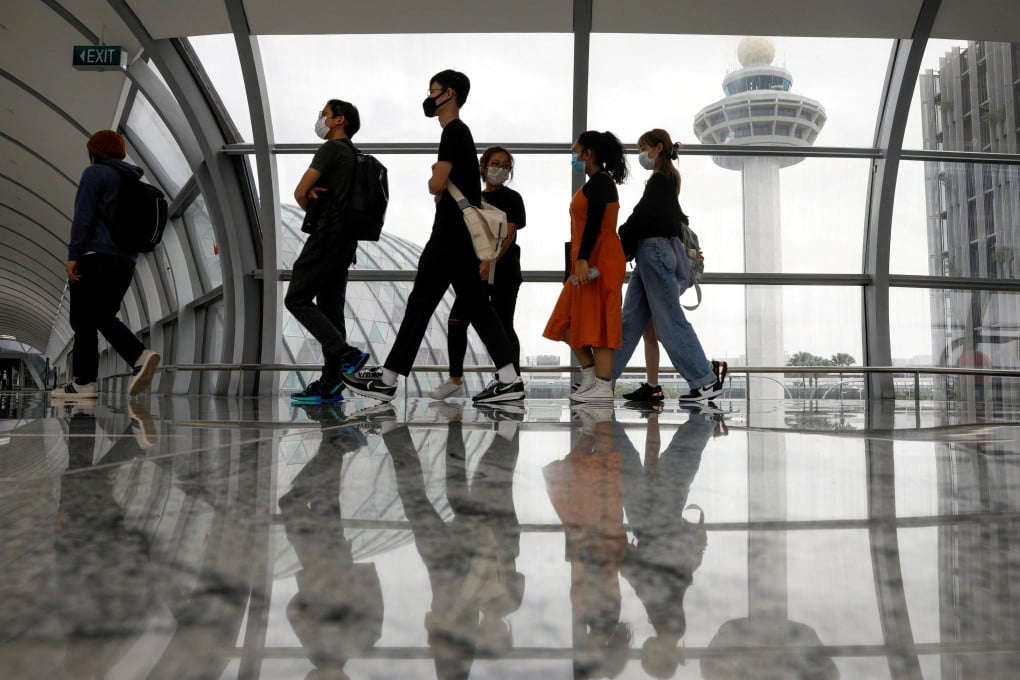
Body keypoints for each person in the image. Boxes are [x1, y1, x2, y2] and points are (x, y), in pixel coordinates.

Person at [343, 70, 524, 404]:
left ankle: (387, 379)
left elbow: (437, 184)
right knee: (474, 308)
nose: (429, 97)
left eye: (433, 91)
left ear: (449, 94)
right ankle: (510, 379)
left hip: (448, 239)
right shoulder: (459, 134)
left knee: (421, 306)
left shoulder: (454, 132)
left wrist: (434, 181)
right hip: (458, 241)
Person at [614, 129, 727, 402]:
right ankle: (603, 381)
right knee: (629, 322)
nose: (641, 154)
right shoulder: (665, 181)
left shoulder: (661, 181)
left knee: (669, 321)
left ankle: (706, 379)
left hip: (653, 251)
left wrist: (622, 234)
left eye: (644, 148)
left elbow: (642, 217)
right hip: (648, 255)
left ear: (659, 148)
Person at [53, 130, 160, 400]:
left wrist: (74, 255)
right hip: (126, 263)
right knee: (98, 315)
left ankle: (132, 357)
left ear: (94, 152)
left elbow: (84, 216)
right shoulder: (135, 181)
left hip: (95, 257)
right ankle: (85, 382)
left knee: (83, 317)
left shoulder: (95, 174)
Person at [286, 99, 371, 405]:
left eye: (324, 114)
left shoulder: (332, 149)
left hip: (326, 237)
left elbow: (299, 191)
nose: (320, 119)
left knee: (296, 298)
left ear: (339, 120)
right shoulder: (356, 156)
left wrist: (312, 204)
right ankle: (332, 384)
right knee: (331, 310)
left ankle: (347, 355)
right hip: (347, 243)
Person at [429, 146, 527, 400]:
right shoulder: (473, 197)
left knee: (504, 324)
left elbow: (509, 232)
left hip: (503, 270)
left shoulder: (512, 198)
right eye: (496, 164)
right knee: (456, 321)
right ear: (483, 167)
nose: (501, 169)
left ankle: (510, 381)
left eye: (506, 165)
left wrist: (491, 261)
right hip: (473, 270)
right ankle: (455, 379)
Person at [543, 130, 628, 402]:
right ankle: (591, 376)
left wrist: (582, 260)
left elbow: (593, 224)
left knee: (602, 322)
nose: (573, 156)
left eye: (575, 150)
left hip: (599, 261)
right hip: (588, 261)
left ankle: (602, 386)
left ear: (587, 154)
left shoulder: (602, 182)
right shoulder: (594, 183)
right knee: (565, 321)